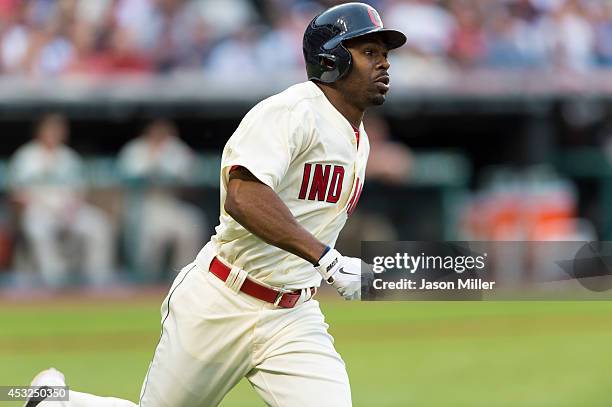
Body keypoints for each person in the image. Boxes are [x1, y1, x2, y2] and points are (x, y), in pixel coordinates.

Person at [26, 3, 406, 406]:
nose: (383, 64)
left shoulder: (358, 137)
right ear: (333, 59)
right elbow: (243, 194)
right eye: (369, 53)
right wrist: (327, 259)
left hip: (292, 314)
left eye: (384, 55)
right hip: (223, 298)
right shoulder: (291, 112)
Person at [8, 113, 115, 287]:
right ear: (39, 132)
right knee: (38, 229)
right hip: (39, 210)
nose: (54, 133)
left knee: (99, 225)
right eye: (50, 129)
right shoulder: (26, 156)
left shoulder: (69, 157)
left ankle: (99, 282)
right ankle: (55, 284)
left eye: (58, 130)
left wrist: (72, 208)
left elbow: (80, 191)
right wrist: (36, 206)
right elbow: (17, 194)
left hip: (68, 210)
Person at [117, 119, 207, 280]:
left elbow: (192, 177)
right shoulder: (136, 149)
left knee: (191, 225)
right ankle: (145, 282)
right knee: (152, 235)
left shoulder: (176, 148)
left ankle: (183, 280)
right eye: (156, 128)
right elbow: (128, 179)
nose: (160, 132)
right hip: (144, 205)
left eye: (164, 129)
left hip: (172, 203)